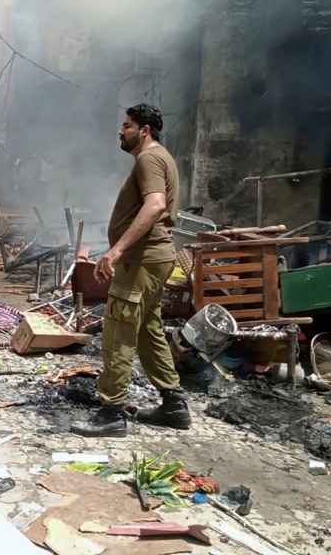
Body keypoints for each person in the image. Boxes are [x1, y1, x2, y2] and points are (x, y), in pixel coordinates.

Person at [70, 103, 191, 438]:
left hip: (141, 260)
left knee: (119, 331)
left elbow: (155, 204)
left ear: (144, 130)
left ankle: (111, 412)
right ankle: (173, 404)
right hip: (155, 259)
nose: (120, 132)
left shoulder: (149, 159)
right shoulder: (160, 157)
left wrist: (117, 250)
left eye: (126, 126)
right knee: (146, 329)